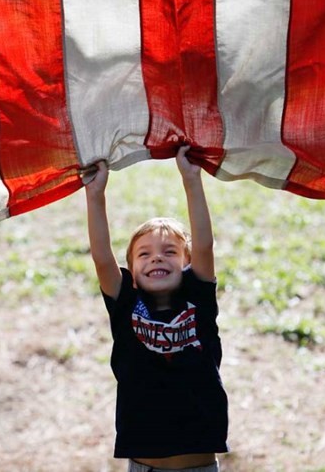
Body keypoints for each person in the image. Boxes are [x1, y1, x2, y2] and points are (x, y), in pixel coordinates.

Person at [85, 145, 229, 472]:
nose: (157, 258)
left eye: (169, 252)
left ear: (187, 264)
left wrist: (191, 180)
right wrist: (95, 196)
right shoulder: (126, 304)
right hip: (144, 466)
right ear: (132, 272)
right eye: (144, 254)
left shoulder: (199, 297)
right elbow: (102, 257)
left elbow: (204, 244)